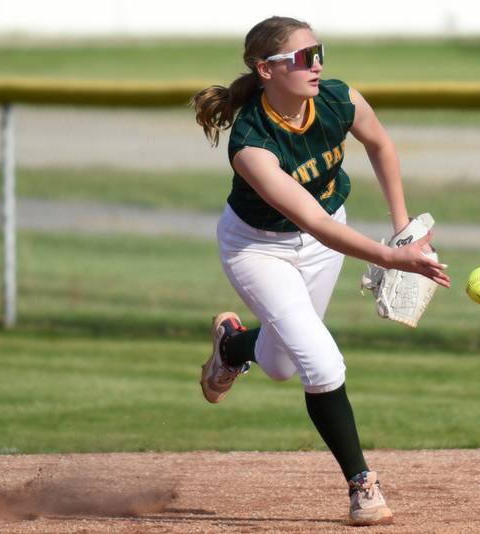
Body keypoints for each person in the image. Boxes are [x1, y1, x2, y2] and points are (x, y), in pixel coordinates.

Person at [192, 15, 450, 526]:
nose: (318, 65)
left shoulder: (336, 99)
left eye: (320, 52)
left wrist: (402, 230)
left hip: (325, 236)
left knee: (285, 364)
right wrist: (391, 258)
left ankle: (232, 347)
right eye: (304, 58)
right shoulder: (250, 143)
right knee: (323, 365)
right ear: (265, 69)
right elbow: (307, 218)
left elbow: (381, 144)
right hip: (259, 250)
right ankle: (363, 485)